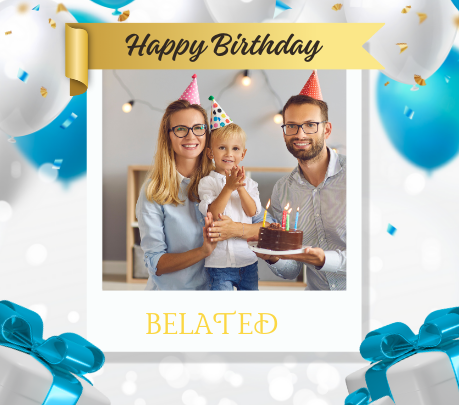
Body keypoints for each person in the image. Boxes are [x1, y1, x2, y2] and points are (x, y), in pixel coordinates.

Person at [207, 70, 347, 291]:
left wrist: (324, 259)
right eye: (291, 126)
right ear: (284, 133)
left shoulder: (355, 177)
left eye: (310, 125)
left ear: (326, 130)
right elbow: (291, 270)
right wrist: (272, 257)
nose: (300, 134)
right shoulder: (283, 189)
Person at [136, 75, 216, 290]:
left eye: (199, 128)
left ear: (207, 134)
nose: (191, 136)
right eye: (181, 129)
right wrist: (203, 251)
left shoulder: (221, 184)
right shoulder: (154, 191)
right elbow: (156, 264)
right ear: (168, 136)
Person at [198, 96, 261, 291]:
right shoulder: (207, 182)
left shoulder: (249, 183)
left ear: (243, 154)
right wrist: (228, 187)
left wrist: (240, 187)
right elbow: (213, 213)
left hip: (247, 260)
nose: (229, 154)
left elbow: (252, 212)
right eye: (222, 148)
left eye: (235, 149)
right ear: (210, 153)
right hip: (218, 264)